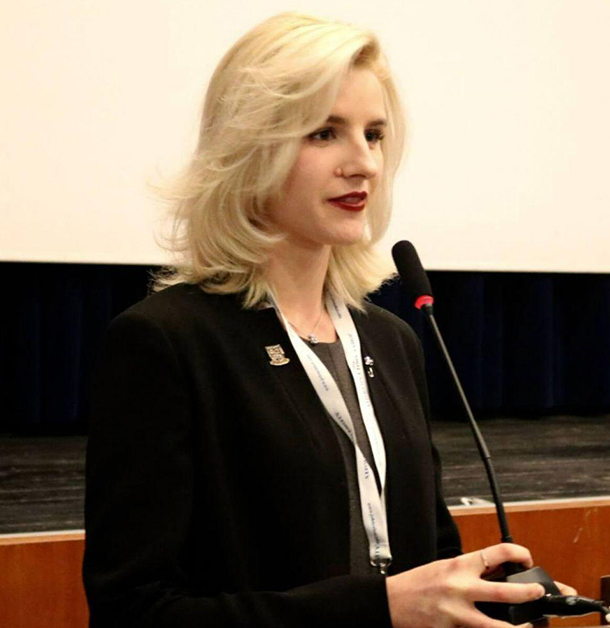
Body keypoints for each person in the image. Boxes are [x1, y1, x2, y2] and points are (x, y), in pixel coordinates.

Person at [82, 12, 571, 627]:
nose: (363, 162)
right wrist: (379, 610)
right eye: (324, 134)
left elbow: (429, 555)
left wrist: (487, 597)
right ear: (247, 150)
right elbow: (135, 612)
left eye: (374, 134)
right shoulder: (168, 342)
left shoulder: (391, 342)